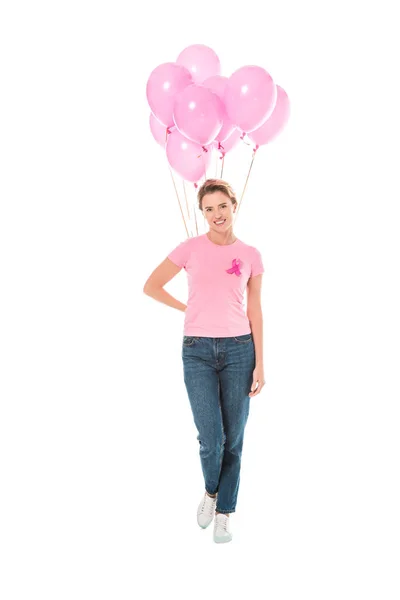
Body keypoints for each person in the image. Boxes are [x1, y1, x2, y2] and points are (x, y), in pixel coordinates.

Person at [143, 178, 265, 543]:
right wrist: (186, 308)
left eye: (222, 206)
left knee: (235, 439)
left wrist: (262, 363)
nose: (217, 214)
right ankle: (211, 491)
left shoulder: (251, 254)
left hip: (240, 350)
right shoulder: (189, 249)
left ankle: (225, 510)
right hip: (197, 350)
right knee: (211, 437)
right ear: (203, 213)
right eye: (209, 209)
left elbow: (256, 310)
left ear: (234, 205)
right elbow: (151, 285)